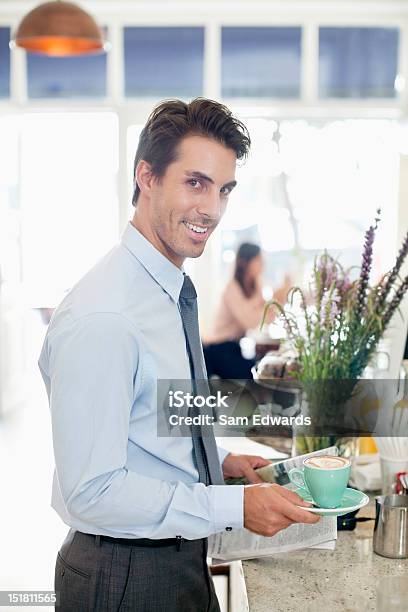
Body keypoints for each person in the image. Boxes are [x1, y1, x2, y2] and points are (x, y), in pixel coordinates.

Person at [38, 98, 319, 612]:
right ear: (147, 176)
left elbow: (142, 420)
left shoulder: (163, 291)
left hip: (174, 555)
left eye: (223, 189)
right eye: (195, 182)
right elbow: (93, 491)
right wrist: (232, 504)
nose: (211, 209)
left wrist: (219, 462)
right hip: (125, 575)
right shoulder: (107, 315)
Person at [204, 242, 268, 379]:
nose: (263, 265)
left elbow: (265, 316)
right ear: (245, 263)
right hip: (219, 351)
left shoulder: (253, 285)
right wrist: (272, 303)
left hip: (234, 348)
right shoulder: (232, 288)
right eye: (259, 261)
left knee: (265, 367)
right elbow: (251, 322)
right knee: (261, 373)